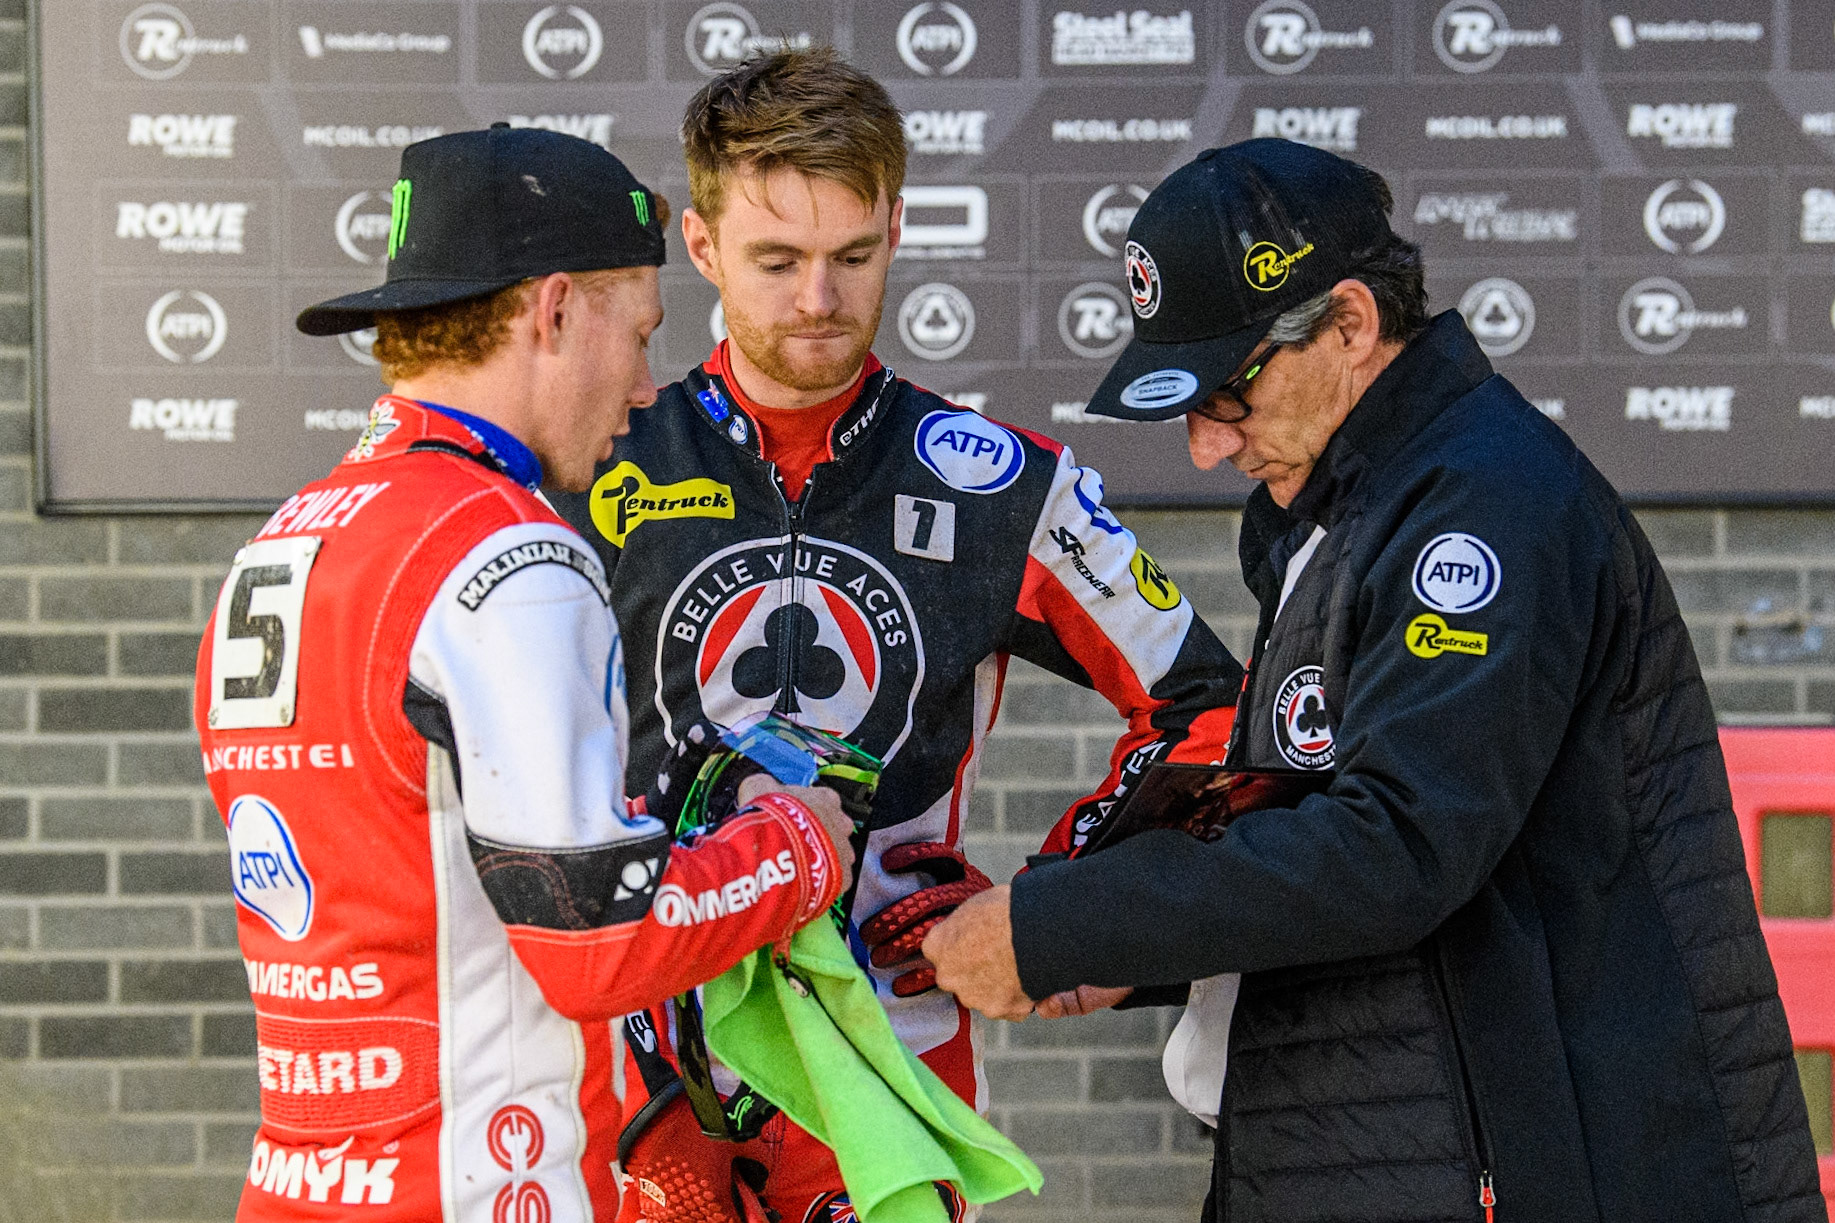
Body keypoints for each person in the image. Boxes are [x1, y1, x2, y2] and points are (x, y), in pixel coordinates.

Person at [922, 138, 1828, 1223]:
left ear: (1349, 324)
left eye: (1227, 392)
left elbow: (1396, 844)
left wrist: (1063, 923)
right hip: (1382, 1150)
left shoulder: (1484, 504)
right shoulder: (1353, 507)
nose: (1206, 446)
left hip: (1528, 1168)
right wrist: (1141, 954)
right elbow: (1326, 832)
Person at [548, 48, 1242, 1223]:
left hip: (889, 1064)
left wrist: (1049, 902)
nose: (817, 298)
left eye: (852, 255)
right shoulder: (594, 463)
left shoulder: (1003, 484)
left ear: (897, 230)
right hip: (641, 1072)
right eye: (776, 260)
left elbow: (1205, 707)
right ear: (701, 245)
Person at [197, 126, 856, 1223]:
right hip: (483, 1192)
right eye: (638, 335)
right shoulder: (509, 551)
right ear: (553, 310)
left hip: (299, 1190)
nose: (644, 389)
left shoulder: (286, 537)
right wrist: (795, 845)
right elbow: (595, 941)